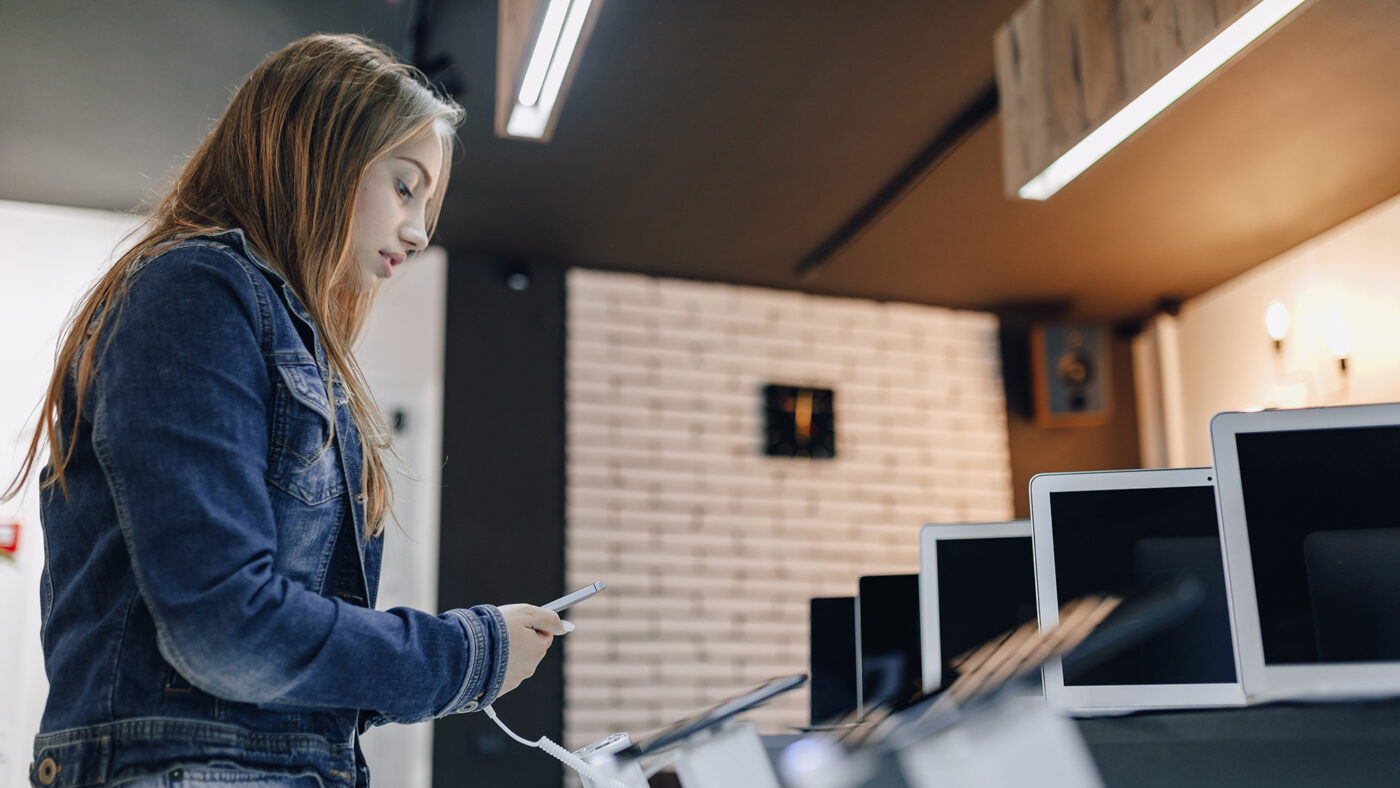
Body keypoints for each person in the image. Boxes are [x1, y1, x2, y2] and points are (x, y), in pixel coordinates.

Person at [3, 33, 564, 787]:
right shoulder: (197, 291)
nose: (420, 230)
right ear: (323, 154)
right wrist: (467, 654)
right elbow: (225, 629)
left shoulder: (276, 330)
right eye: (405, 186)